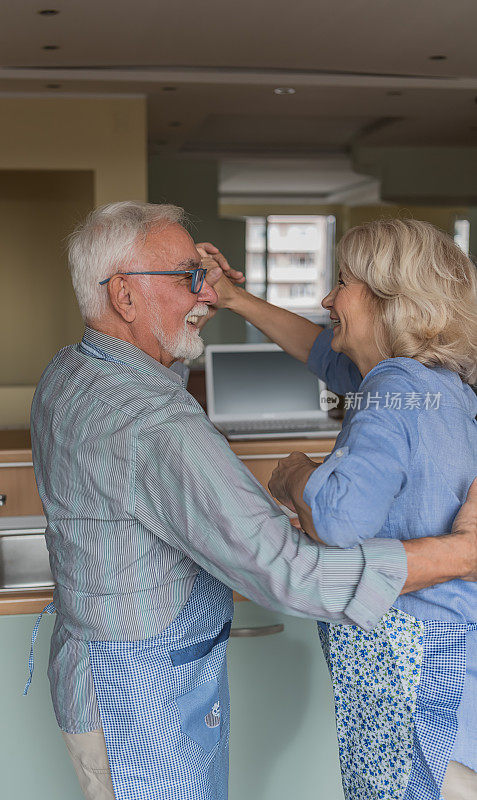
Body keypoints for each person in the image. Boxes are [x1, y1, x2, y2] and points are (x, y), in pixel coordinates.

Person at [28, 203, 477, 800]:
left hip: (104, 681)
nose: (205, 297)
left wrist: (296, 477)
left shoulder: (68, 372)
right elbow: (293, 572)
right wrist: (460, 555)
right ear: (126, 297)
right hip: (138, 700)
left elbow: (333, 502)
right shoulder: (155, 423)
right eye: (188, 277)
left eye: (342, 283)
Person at [203, 219, 477, 799]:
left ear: (387, 301)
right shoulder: (432, 381)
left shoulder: (390, 393)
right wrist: (235, 299)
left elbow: (338, 518)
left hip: (406, 651)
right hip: (444, 645)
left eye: (343, 283)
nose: (328, 298)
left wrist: (298, 473)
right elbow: (323, 353)